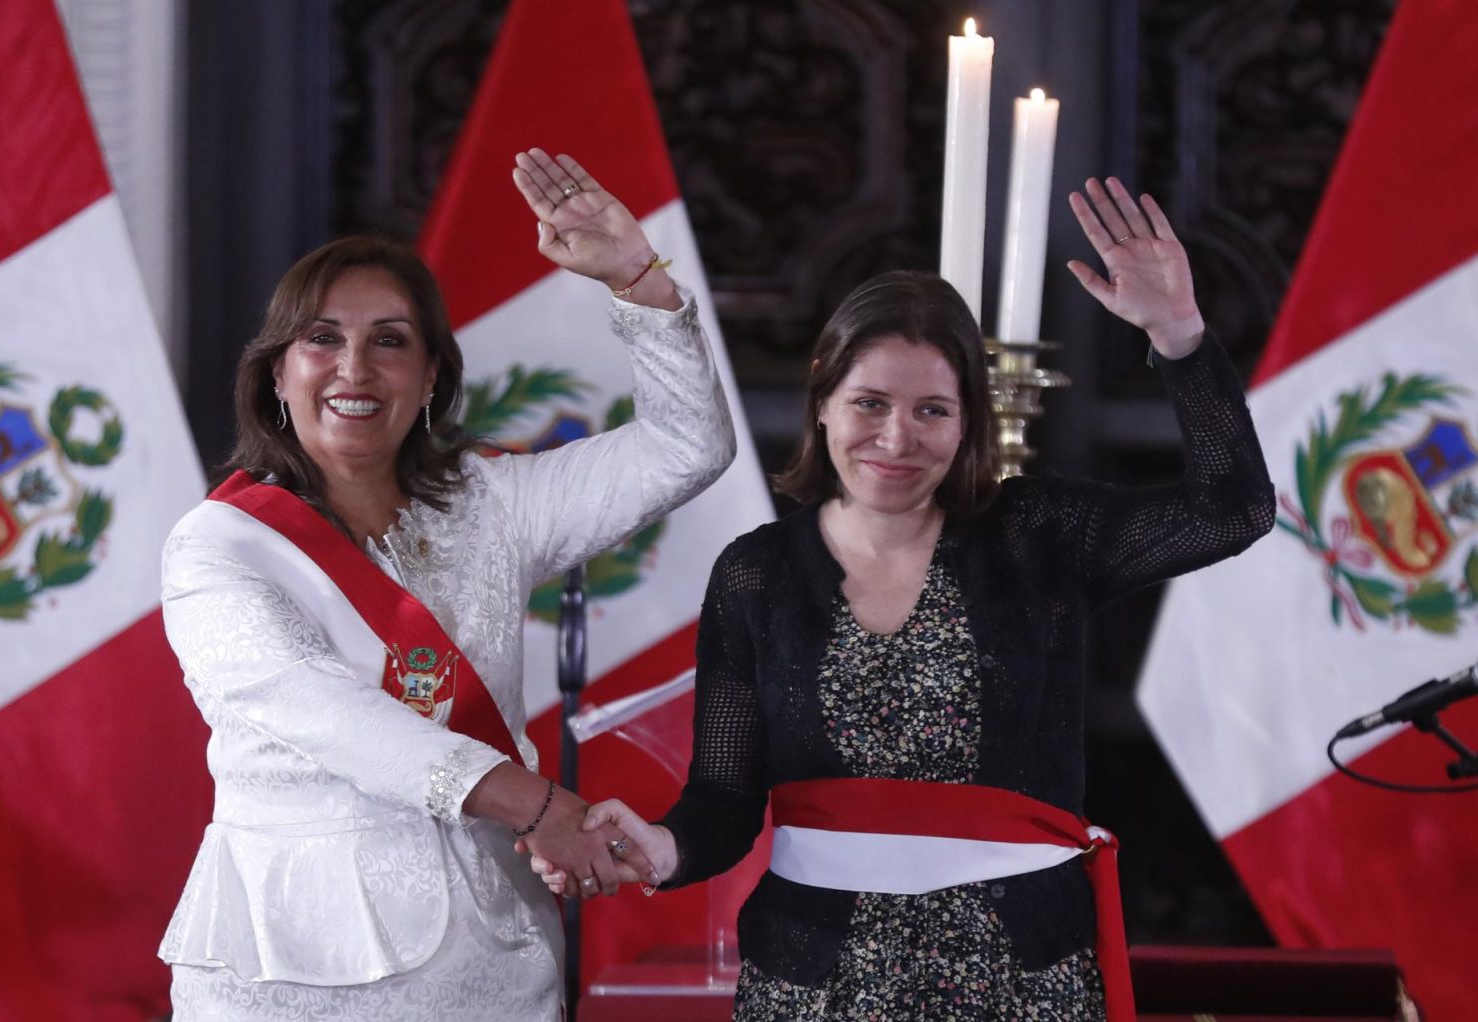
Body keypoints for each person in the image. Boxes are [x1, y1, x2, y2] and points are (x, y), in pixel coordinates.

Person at [529, 177, 1276, 1021]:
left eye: (932, 410)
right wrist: (661, 848)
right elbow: (726, 800)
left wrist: (1178, 335)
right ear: (822, 399)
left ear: (968, 424)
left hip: (1025, 979)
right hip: (812, 984)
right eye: (870, 404)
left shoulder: (1038, 536)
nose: (895, 438)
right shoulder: (758, 572)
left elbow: (1234, 511)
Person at [156, 148, 734, 1021]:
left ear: (430, 378)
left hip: (495, 964)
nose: (354, 368)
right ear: (278, 373)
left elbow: (687, 449)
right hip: (291, 972)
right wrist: (541, 805)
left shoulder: (493, 505)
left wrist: (634, 279)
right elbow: (325, 714)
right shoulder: (218, 546)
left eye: (390, 341)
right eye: (322, 339)